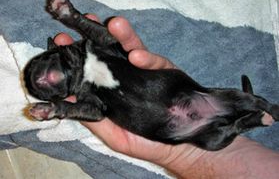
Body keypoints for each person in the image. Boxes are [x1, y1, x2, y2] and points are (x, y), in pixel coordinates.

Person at [54, 14, 279, 179]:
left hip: (192, 101)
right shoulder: (86, 94)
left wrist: (73, 18)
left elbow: (106, 39)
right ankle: (247, 120)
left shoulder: (89, 52)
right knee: (212, 141)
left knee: (233, 101)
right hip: (187, 131)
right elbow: (93, 110)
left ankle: (264, 108)